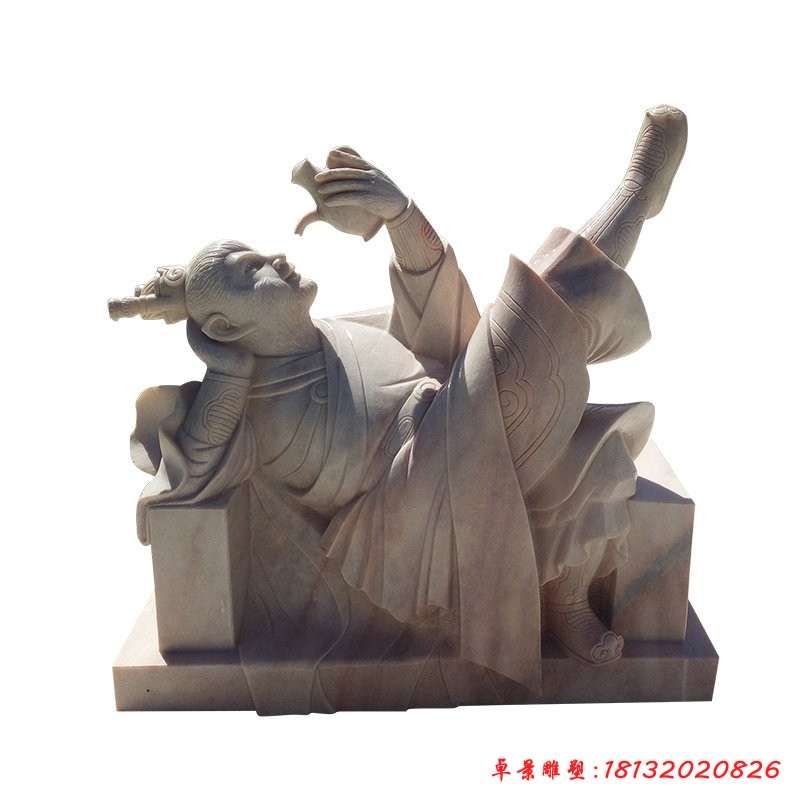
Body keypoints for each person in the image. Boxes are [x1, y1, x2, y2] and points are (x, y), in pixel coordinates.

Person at [115, 106, 688, 691]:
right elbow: (194, 463)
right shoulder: (254, 409)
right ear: (226, 326)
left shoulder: (333, 334)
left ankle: (566, 600)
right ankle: (635, 195)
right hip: (416, 499)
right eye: (251, 272)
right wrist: (224, 367)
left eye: (260, 254)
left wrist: (398, 216)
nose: (277, 260)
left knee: (535, 343)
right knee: (536, 307)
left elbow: (435, 320)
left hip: (457, 424)